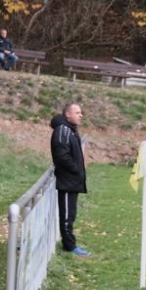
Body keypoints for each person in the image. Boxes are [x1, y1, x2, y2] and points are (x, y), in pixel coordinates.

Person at [50, 103, 89, 257]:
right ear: (68, 115)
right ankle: (69, 246)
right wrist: (76, 170)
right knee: (66, 215)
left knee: (71, 214)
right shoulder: (63, 131)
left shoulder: (70, 130)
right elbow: (62, 156)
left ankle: (70, 243)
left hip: (73, 181)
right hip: (67, 181)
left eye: (81, 112)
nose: (81, 115)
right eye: (77, 112)